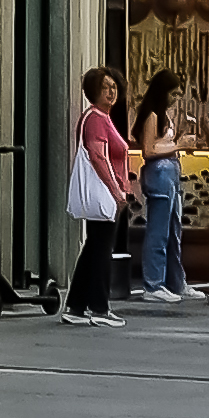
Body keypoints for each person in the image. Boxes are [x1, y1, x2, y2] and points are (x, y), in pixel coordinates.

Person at [62, 69, 138, 320]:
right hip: (107, 193)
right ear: (93, 91)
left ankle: (76, 306)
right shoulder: (96, 118)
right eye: (105, 87)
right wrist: (117, 191)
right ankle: (99, 307)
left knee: (94, 247)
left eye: (114, 86)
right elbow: (97, 156)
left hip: (108, 192)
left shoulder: (101, 117)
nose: (111, 91)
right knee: (102, 249)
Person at [131, 76, 191, 305]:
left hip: (168, 172)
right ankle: (154, 283)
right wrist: (180, 144)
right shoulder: (152, 115)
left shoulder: (161, 115)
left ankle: (175, 281)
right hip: (161, 173)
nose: (176, 99)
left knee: (173, 230)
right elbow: (148, 149)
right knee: (160, 231)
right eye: (173, 94)